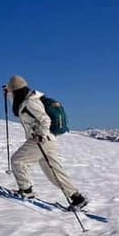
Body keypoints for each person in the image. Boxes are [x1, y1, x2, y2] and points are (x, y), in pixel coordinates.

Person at [5, 75, 88, 209]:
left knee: (17, 161)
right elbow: (18, 106)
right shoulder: (24, 98)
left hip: (41, 139)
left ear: (17, 90)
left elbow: (45, 120)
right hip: (49, 140)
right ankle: (77, 198)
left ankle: (26, 191)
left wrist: (41, 135)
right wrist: (8, 93)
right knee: (54, 172)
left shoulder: (31, 102)